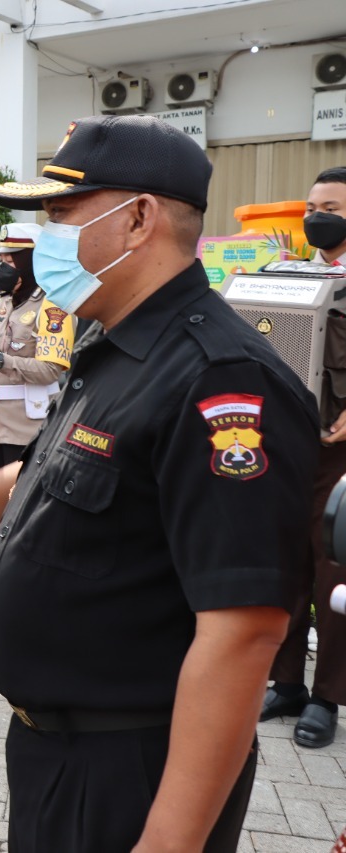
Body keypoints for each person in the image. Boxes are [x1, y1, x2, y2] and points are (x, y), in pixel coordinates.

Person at [0, 115, 320, 853]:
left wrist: (168, 841)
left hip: (134, 765)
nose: (46, 238)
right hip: (56, 750)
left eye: (63, 215)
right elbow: (56, 484)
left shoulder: (221, 380)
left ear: (138, 219)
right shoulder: (114, 343)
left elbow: (244, 631)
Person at [264, 165, 346, 747]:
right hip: (287, 446)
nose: (318, 216)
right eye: (312, 205)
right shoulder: (293, 278)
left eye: (333, 206)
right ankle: (287, 680)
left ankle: (328, 697)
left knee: (334, 576)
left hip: (341, 461)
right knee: (285, 566)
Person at [0, 222, 74, 468]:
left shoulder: (53, 306)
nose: (3, 271)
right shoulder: (3, 302)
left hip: (28, 426)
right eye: (1, 262)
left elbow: (49, 370)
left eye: (10, 263)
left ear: (32, 262)